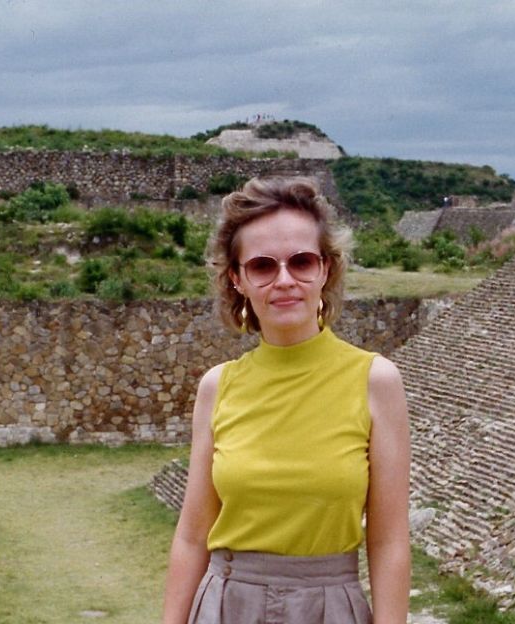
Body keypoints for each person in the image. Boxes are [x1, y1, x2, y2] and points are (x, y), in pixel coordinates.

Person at [162, 176, 411, 623]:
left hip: (329, 608)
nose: (284, 280)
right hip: (226, 608)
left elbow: (389, 540)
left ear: (326, 269)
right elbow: (192, 537)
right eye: (261, 266)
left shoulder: (375, 381)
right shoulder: (218, 387)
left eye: (301, 261)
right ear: (236, 279)